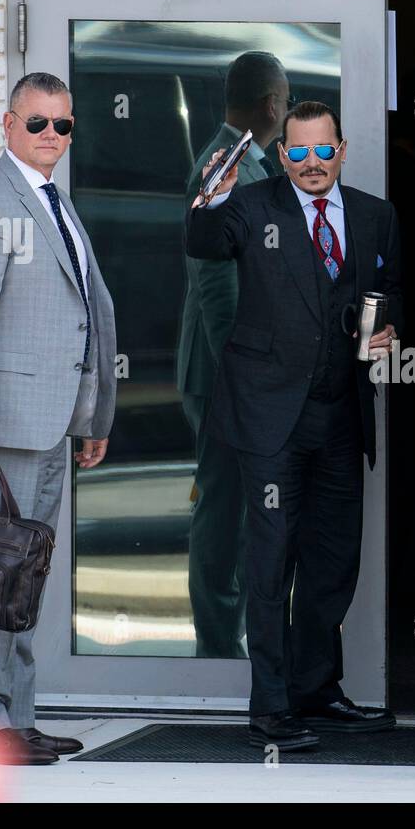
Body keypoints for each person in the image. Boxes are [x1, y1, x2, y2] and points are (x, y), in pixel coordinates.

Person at [185, 101, 402, 750]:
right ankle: (271, 706)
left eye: (323, 151)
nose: (311, 164)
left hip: (340, 413)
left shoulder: (375, 215)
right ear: (283, 156)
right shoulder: (253, 208)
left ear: (341, 149)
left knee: (334, 560)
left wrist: (388, 333)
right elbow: (203, 242)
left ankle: (317, 689)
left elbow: (390, 296)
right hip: (267, 417)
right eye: (298, 153)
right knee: (271, 559)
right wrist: (209, 198)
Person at [0, 71, 118, 765]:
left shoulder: (51, 200)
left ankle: (16, 717)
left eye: (63, 125)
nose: (52, 136)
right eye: (38, 122)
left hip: (49, 424)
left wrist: (91, 414)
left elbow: (78, 316)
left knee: (23, 579)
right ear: (8, 125)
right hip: (3, 430)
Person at [177, 51, 288, 659]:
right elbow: (216, 286)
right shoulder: (225, 168)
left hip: (231, 370)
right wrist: (239, 375)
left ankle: (229, 640)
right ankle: (217, 647)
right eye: (288, 101)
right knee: (222, 507)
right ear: (273, 105)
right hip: (223, 373)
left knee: (239, 504)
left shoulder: (243, 163)